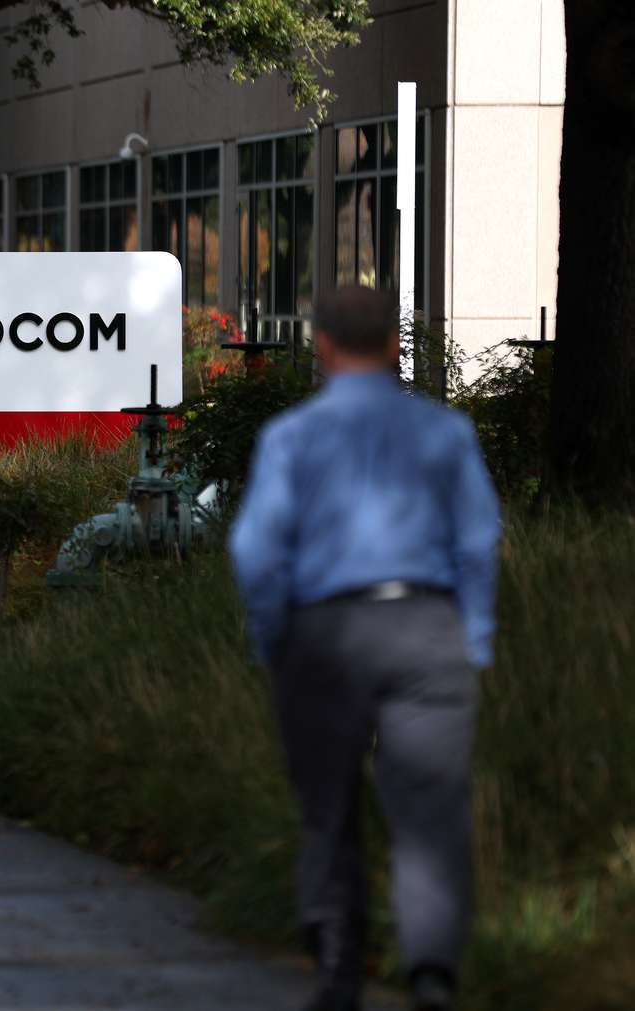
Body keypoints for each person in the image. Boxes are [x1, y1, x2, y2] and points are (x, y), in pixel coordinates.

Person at [228, 286, 500, 1011]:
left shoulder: (291, 437)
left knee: (329, 803)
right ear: (393, 346)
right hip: (426, 631)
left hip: (326, 636)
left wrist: (273, 637)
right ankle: (433, 970)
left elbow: (256, 549)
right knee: (429, 809)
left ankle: (338, 964)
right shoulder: (446, 434)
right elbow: (477, 541)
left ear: (319, 346)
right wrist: (471, 636)